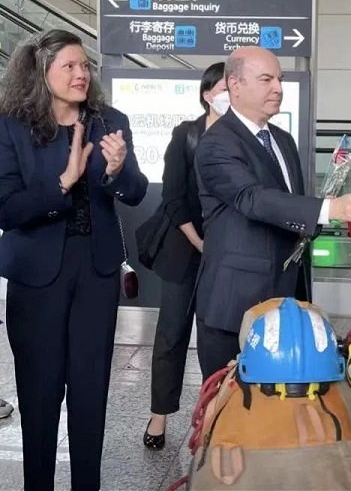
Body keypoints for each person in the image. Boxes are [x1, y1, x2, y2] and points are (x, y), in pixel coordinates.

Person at [0, 30, 148, 491]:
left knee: (90, 395)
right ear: (40, 73)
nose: (82, 74)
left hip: (96, 271)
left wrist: (119, 171)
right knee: (40, 396)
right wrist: (63, 182)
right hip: (37, 276)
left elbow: (137, 191)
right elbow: (6, 207)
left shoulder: (110, 120)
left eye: (84, 65)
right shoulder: (11, 126)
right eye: (69, 66)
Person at [194, 47, 351, 379]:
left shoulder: (282, 140)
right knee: (229, 414)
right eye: (266, 79)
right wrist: (329, 208)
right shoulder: (216, 143)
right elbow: (251, 198)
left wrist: (327, 213)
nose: (278, 88)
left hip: (286, 300)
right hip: (235, 304)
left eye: (279, 79)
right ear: (235, 85)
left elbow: (290, 209)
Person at [144, 62, 228, 449]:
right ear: (208, 93)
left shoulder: (242, 138)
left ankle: (219, 414)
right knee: (172, 333)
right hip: (186, 247)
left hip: (226, 255)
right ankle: (159, 415)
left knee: (219, 341)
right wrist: (199, 243)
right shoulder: (186, 134)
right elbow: (173, 198)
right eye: (225, 86)